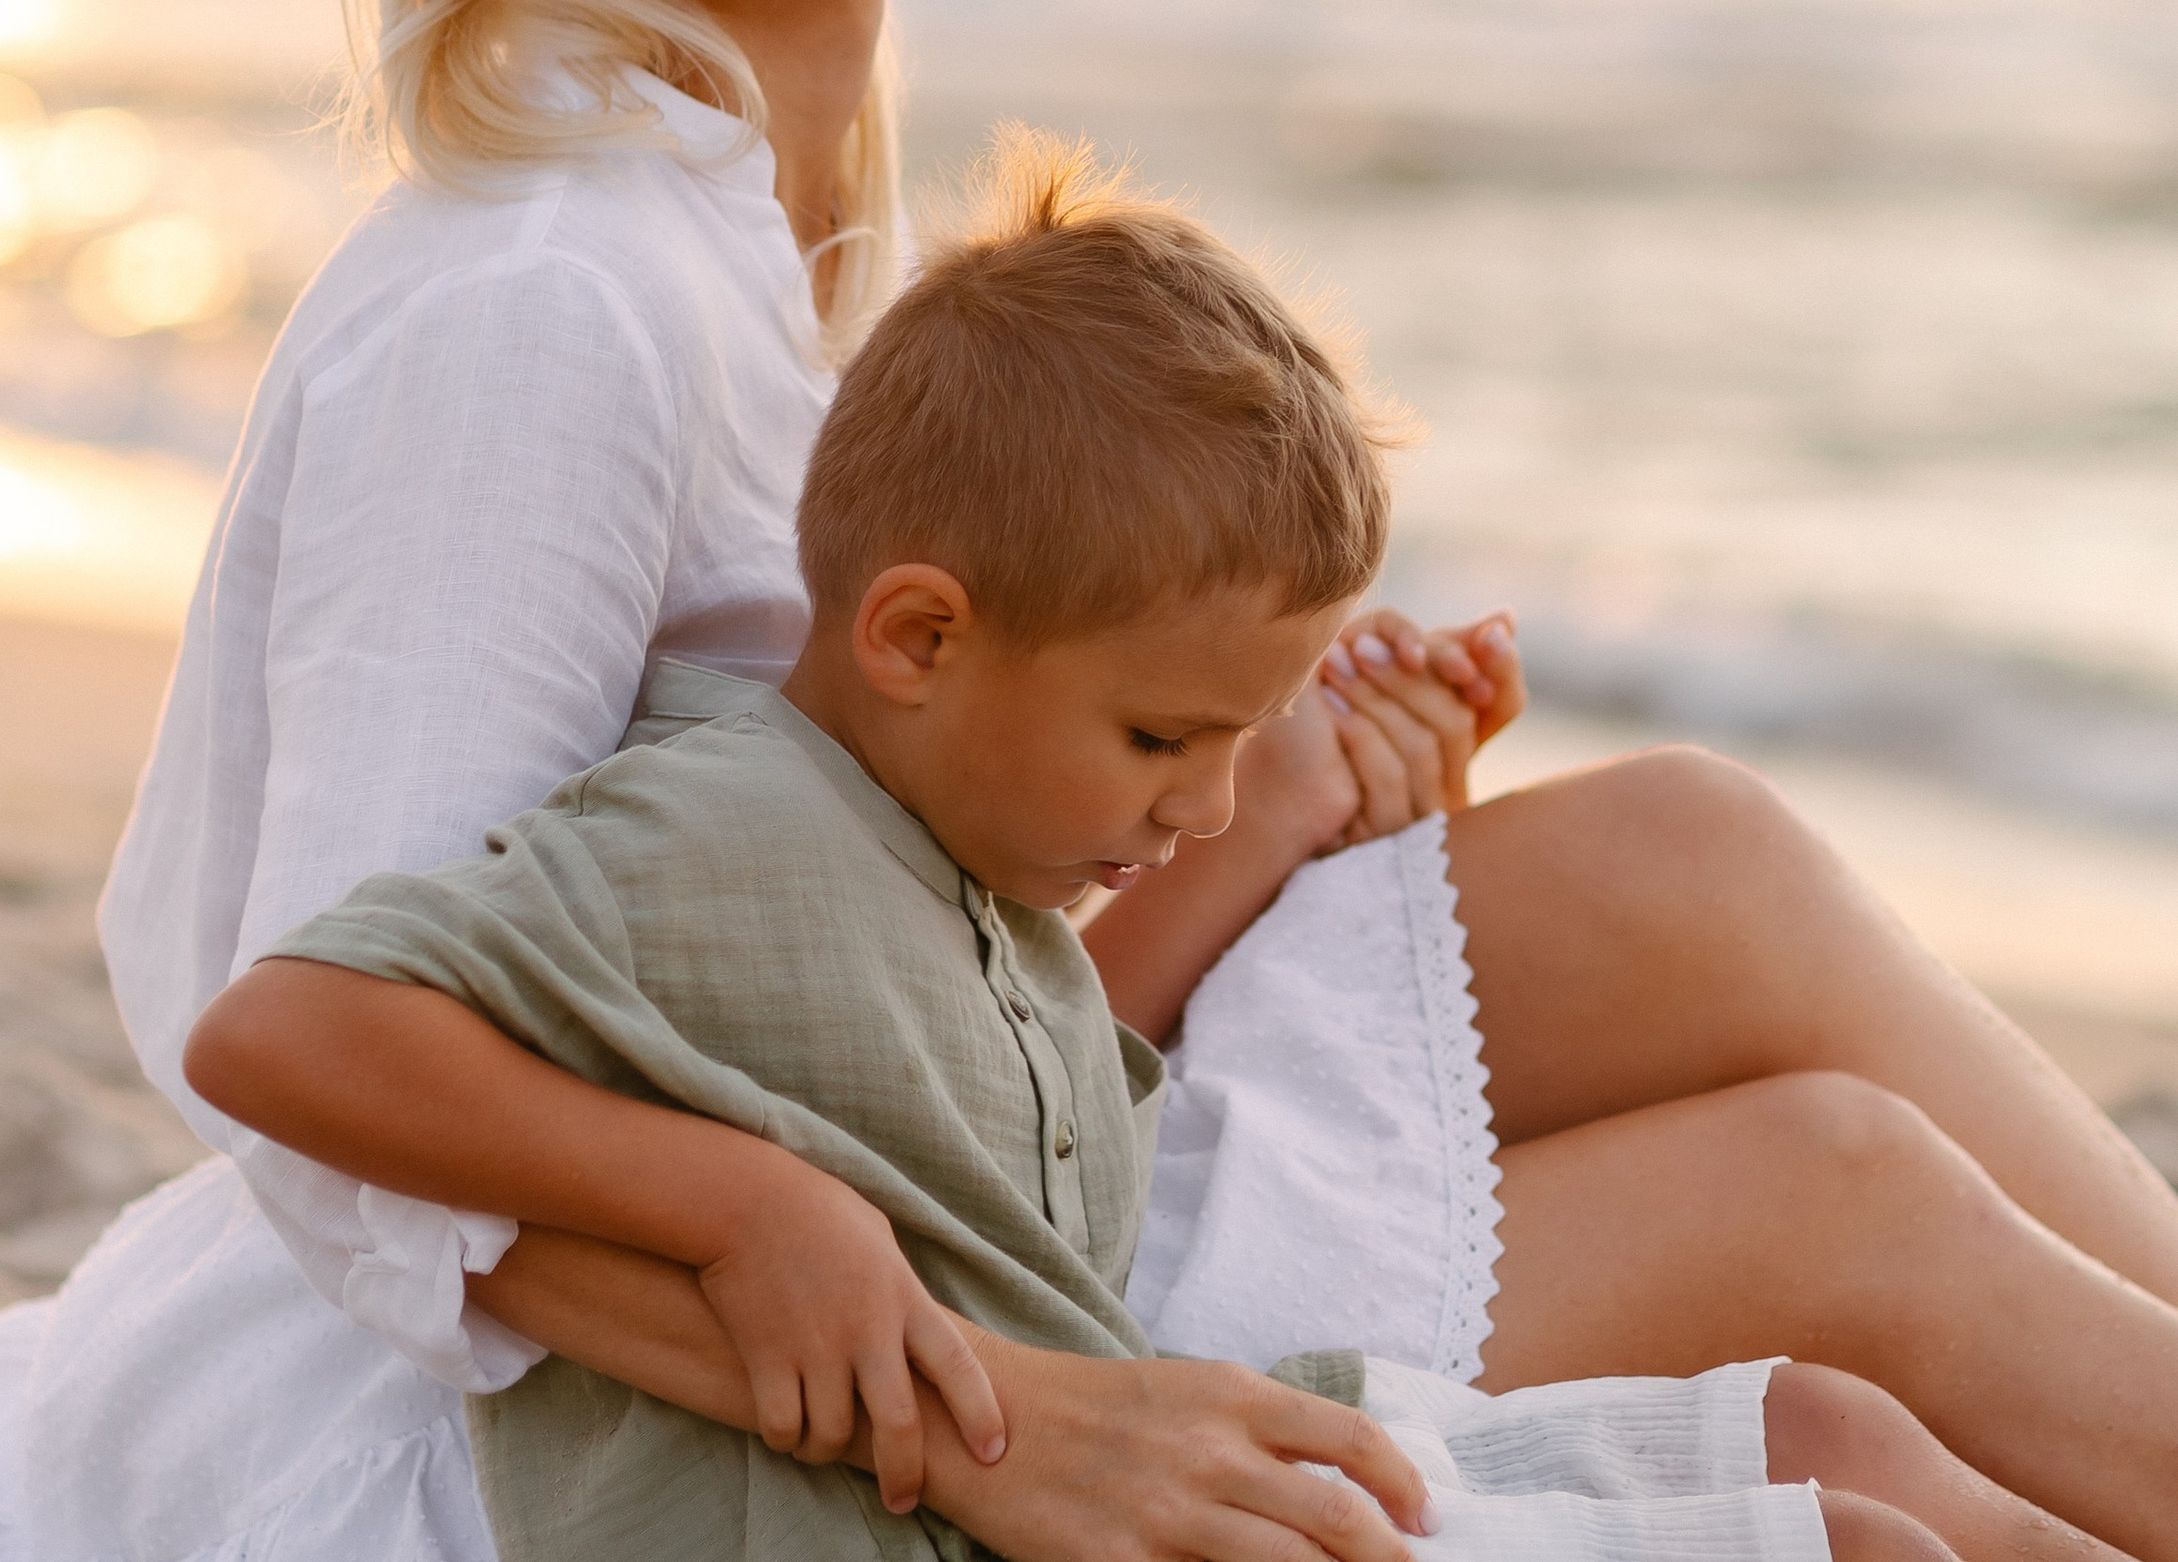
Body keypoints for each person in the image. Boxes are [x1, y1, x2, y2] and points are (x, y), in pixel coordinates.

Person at [0, 0, 2178, 1562]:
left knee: (1694, 863)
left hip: (934, 1169)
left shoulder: (791, 230)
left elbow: (868, 961)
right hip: (617, 1389)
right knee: (1835, 1196)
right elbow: (317, 1077)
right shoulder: (546, 302)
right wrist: (997, 1413)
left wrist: (1264, 779)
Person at [184, 149, 2124, 1562]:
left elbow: (1034, 1128)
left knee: (1835, 1428)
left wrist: (1292, 814)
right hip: (993, 1503)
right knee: (1862, 1511)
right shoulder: (717, 825)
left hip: (1122, 1386)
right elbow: (275, 1036)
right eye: (1160, 735)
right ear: (918, 636)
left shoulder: (973, 881)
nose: (1189, 797)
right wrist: (739, 1206)